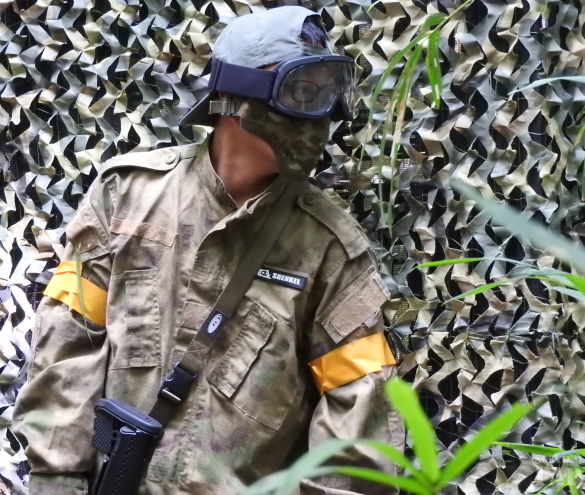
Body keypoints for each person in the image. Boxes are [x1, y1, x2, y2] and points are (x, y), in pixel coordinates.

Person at [13, 6, 404, 495]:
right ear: (230, 94)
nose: (318, 115)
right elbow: (69, 343)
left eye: (328, 94)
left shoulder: (330, 249)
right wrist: (57, 478)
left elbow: (359, 423)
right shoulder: (128, 196)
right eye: (301, 90)